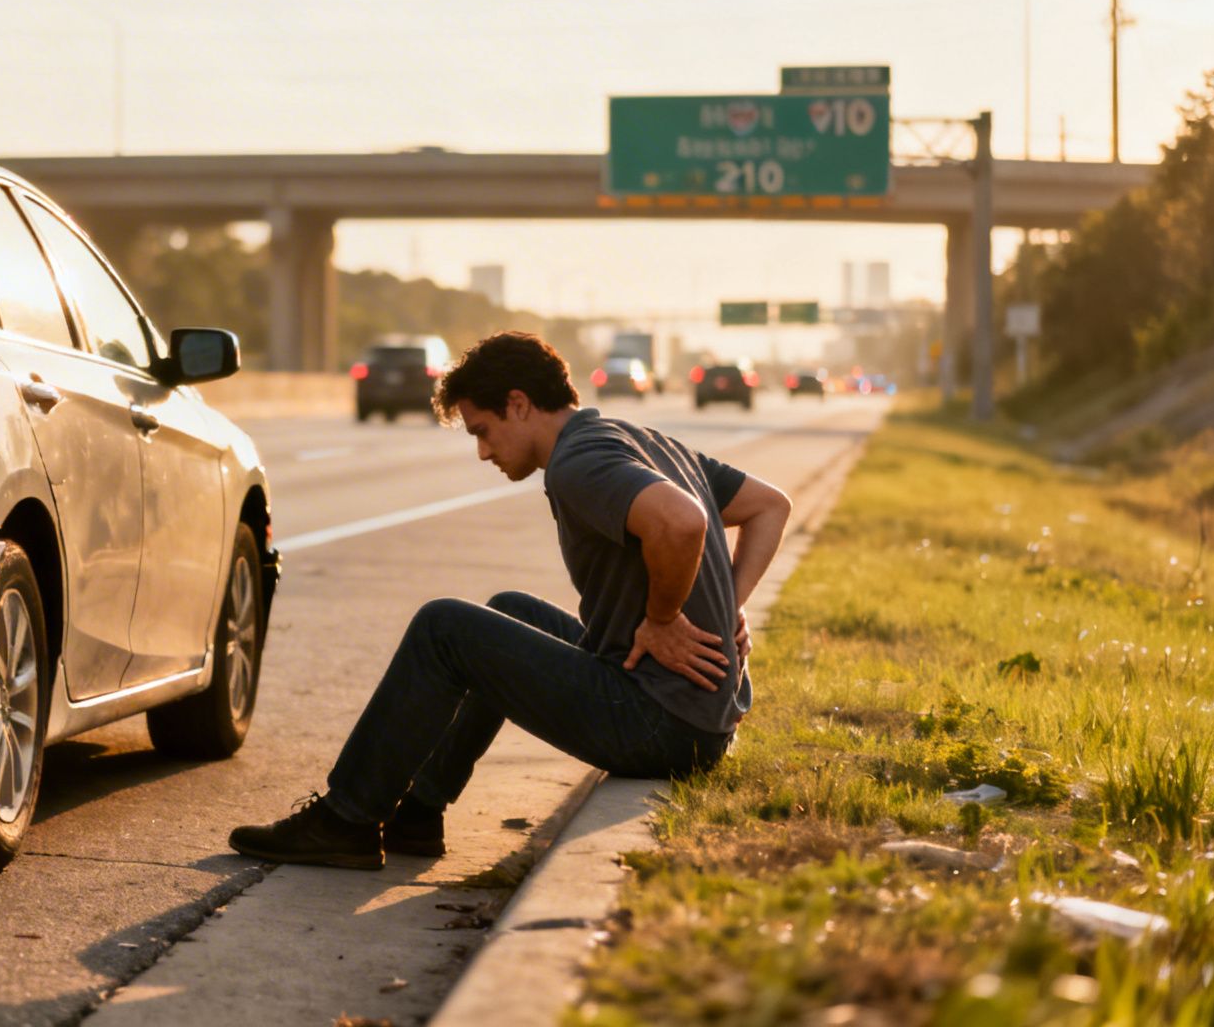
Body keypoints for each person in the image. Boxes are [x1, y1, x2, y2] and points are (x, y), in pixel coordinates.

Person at [229, 331, 792, 870]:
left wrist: (666, 618)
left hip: (661, 726)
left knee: (442, 626)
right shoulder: (638, 438)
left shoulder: (579, 463)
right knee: (507, 610)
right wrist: (723, 606)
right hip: (700, 721)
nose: (482, 452)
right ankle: (418, 815)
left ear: (519, 404)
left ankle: (346, 820)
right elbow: (771, 506)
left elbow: (682, 522)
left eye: (484, 430)